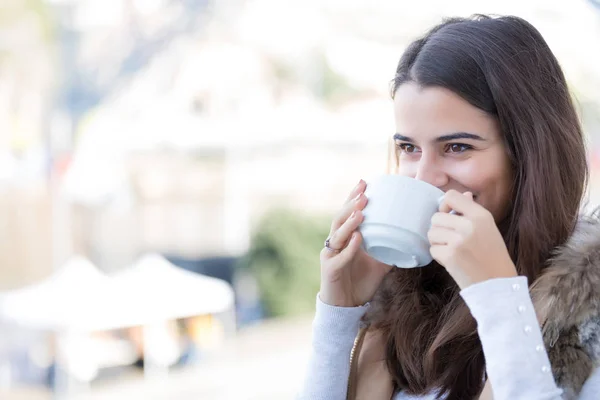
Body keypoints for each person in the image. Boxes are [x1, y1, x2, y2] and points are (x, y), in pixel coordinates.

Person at [298, 15, 600, 400]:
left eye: (458, 147)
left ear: (529, 155)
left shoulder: (585, 309)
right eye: (409, 148)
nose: (424, 178)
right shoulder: (397, 301)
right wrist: (339, 314)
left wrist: (496, 295)